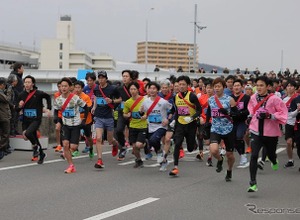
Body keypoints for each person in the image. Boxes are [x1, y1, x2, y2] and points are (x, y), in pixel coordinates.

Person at [247, 76, 287, 192]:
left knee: (271, 154)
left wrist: (270, 116)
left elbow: (283, 113)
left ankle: (274, 160)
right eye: (257, 85)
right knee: (254, 155)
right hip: (256, 131)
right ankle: (253, 183)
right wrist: (250, 116)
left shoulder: (275, 99)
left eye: (261, 85)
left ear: (268, 87)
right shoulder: (253, 97)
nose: (258, 88)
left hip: (271, 133)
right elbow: (251, 108)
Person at [54, 77, 89, 173]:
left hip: (75, 125)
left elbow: (86, 107)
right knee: (65, 145)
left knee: (73, 147)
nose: (63, 88)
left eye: (65, 86)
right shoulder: (58, 100)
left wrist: (84, 120)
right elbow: (56, 110)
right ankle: (71, 165)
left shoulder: (75, 98)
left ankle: (68, 153)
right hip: (65, 125)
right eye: (61, 86)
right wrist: (57, 121)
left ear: (70, 87)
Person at [169, 75, 202, 176]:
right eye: (179, 84)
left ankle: (194, 144)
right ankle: (175, 167)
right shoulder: (175, 97)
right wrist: (173, 119)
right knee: (177, 143)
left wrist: (192, 118)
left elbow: (199, 110)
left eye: (183, 84)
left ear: (188, 85)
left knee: (191, 148)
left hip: (191, 124)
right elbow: (176, 110)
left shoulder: (192, 96)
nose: (181, 86)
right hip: (180, 123)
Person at [206, 77, 237, 182]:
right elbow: (209, 113)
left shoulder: (230, 99)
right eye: (215, 86)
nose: (217, 88)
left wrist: (227, 113)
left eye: (219, 86)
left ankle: (229, 170)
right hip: (215, 128)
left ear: (224, 87)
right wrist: (206, 123)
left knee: (230, 155)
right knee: (214, 150)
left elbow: (236, 114)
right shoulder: (210, 100)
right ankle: (220, 159)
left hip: (228, 128)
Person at [17, 75, 51, 164]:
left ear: (32, 84)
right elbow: (16, 109)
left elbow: (48, 97)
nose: (27, 84)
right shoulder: (21, 95)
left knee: (28, 133)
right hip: (25, 120)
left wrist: (49, 108)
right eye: (25, 82)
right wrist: (19, 106)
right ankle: (42, 154)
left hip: (36, 119)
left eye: (29, 82)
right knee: (31, 137)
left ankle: (35, 147)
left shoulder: (38, 93)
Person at [91, 71, 122, 169]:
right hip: (98, 116)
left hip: (109, 117)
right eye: (99, 78)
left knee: (110, 139)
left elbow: (120, 99)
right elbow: (96, 97)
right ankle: (99, 160)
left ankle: (115, 144)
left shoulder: (113, 88)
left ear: (106, 78)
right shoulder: (96, 88)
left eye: (103, 77)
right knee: (99, 138)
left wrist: (112, 101)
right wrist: (94, 107)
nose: (101, 79)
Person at [140, 82, 173, 163]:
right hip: (150, 125)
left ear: (158, 90)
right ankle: (160, 154)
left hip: (161, 126)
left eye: (154, 89)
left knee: (154, 140)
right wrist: (141, 112)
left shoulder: (163, 102)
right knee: (150, 141)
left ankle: (159, 153)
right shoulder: (145, 101)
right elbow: (142, 113)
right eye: (150, 88)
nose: (152, 90)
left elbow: (172, 110)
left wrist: (168, 120)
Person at [123, 82, 147, 168]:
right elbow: (124, 114)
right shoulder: (127, 102)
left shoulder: (144, 100)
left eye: (134, 89)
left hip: (142, 126)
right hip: (132, 126)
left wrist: (144, 116)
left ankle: (145, 144)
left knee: (138, 145)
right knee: (134, 147)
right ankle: (139, 160)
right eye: (131, 89)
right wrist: (127, 115)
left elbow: (148, 112)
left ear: (138, 90)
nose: (132, 91)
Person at [231, 79, 250, 167]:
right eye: (235, 86)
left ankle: (243, 156)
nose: (236, 87)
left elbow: (249, 109)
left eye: (238, 85)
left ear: (242, 87)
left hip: (243, 121)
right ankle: (242, 155)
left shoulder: (246, 97)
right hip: (232, 121)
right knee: (234, 139)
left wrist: (241, 113)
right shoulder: (230, 97)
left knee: (239, 136)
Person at [73, 80, 94, 158]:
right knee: (76, 135)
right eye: (75, 87)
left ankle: (91, 148)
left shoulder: (86, 97)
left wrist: (84, 119)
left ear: (82, 88)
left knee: (88, 137)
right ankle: (76, 150)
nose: (77, 89)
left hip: (86, 120)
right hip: (76, 119)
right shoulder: (72, 96)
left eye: (79, 87)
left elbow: (88, 107)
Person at [115, 70, 132, 161]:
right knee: (118, 131)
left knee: (134, 136)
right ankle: (122, 148)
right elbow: (115, 99)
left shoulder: (134, 88)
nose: (124, 78)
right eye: (123, 76)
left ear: (131, 78)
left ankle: (146, 146)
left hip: (132, 115)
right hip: (122, 113)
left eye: (127, 76)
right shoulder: (119, 89)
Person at [282, 80, 299, 168]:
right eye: (288, 86)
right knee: (289, 142)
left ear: (295, 87)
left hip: (297, 123)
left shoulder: (298, 98)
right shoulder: (283, 99)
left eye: (291, 86)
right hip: (288, 122)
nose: (289, 87)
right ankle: (290, 160)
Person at [0, 77, 12, 160]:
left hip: (3, 115)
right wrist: (9, 91)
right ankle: (1, 149)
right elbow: (7, 99)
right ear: (2, 85)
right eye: (5, 85)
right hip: (3, 116)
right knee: (6, 133)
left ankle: (2, 149)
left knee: (4, 134)